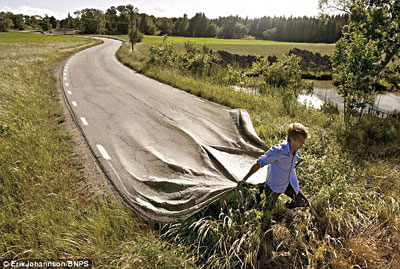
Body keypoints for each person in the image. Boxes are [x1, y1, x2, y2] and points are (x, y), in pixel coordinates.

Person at [238, 123, 310, 210]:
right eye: (300, 140)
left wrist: (297, 159)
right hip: (273, 187)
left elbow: (289, 160)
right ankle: (260, 196)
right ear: (291, 138)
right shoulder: (278, 151)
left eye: (304, 140)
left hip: (288, 184)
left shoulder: (295, 148)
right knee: (268, 211)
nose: (303, 143)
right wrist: (245, 178)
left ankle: (287, 206)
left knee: (304, 203)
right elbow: (259, 163)